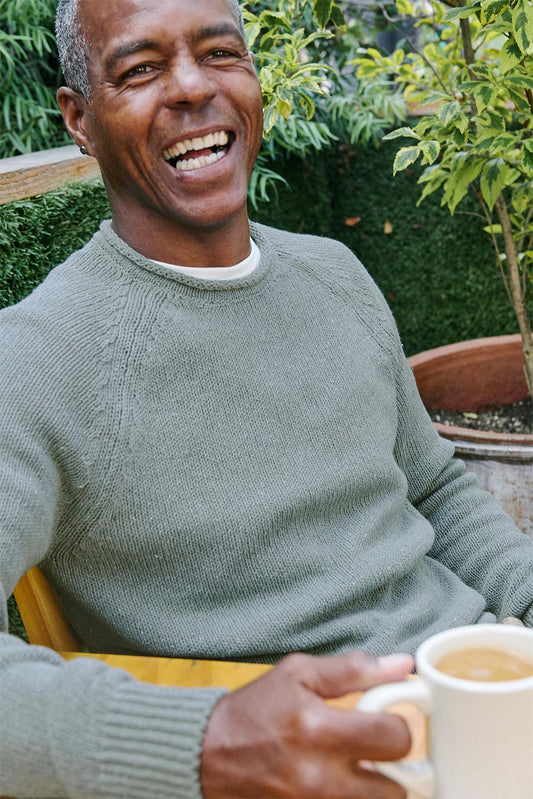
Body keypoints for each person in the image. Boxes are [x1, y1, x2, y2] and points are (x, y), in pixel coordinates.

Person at [0, 0, 531, 797]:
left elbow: (435, 486)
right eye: (141, 69)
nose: (190, 88)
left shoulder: (335, 273)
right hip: (311, 768)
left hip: (483, 696)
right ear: (79, 118)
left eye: (219, 53)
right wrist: (200, 739)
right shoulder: (35, 358)